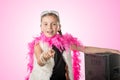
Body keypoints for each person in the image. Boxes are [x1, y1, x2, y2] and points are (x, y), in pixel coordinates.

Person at [25, 10, 120, 80]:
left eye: (53, 24)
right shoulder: (38, 45)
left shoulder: (65, 43)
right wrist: (44, 57)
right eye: (45, 24)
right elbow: (40, 62)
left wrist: (111, 50)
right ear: (41, 27)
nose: (49, 27)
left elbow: (85, 49)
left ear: (58, 27)